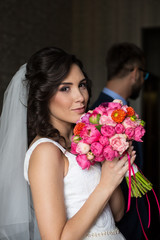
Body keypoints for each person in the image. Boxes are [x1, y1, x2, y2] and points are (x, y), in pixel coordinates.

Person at [0, 47, 136, 240]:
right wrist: (105, 184)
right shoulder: (45, 151)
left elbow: (117, 214)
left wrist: (111, 164)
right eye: (65, 88)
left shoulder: (85, 142)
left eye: (82, 85)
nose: (80, 97)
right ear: (43, 95)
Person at [91, 42, 149, 240]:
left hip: (138, 222)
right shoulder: (96, 119)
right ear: (135, 73)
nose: (143, 80)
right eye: (144, 75)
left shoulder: (127, 111)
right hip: (121, 225)